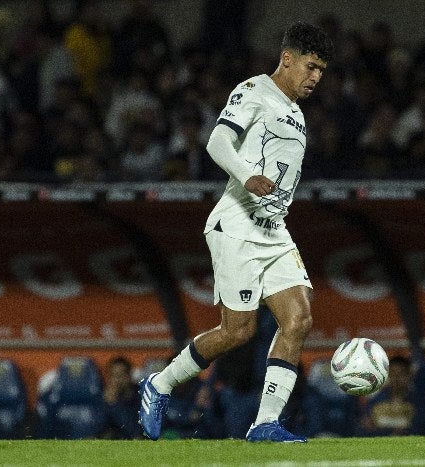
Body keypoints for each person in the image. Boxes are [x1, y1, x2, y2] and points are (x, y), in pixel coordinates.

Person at [138, 22, 334, 443]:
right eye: (311, 66)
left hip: (274, 231)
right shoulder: (254, 91)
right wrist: (246, 176)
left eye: (322, 70)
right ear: (287, 58)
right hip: (237, 226)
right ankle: (160, 384)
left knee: (298, 318)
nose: (316, 77)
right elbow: (218, 143)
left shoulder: (297, 113)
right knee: (238, 331)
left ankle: (265, 424)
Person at [100, 356, 142, 439]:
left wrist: (114, 405)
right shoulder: (104, 396)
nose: (117, 380)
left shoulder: (140, 396)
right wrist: (107, 404)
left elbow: (135, 433)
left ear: (129, 376)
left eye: (120, 375)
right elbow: (96, 429)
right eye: (113, 376)